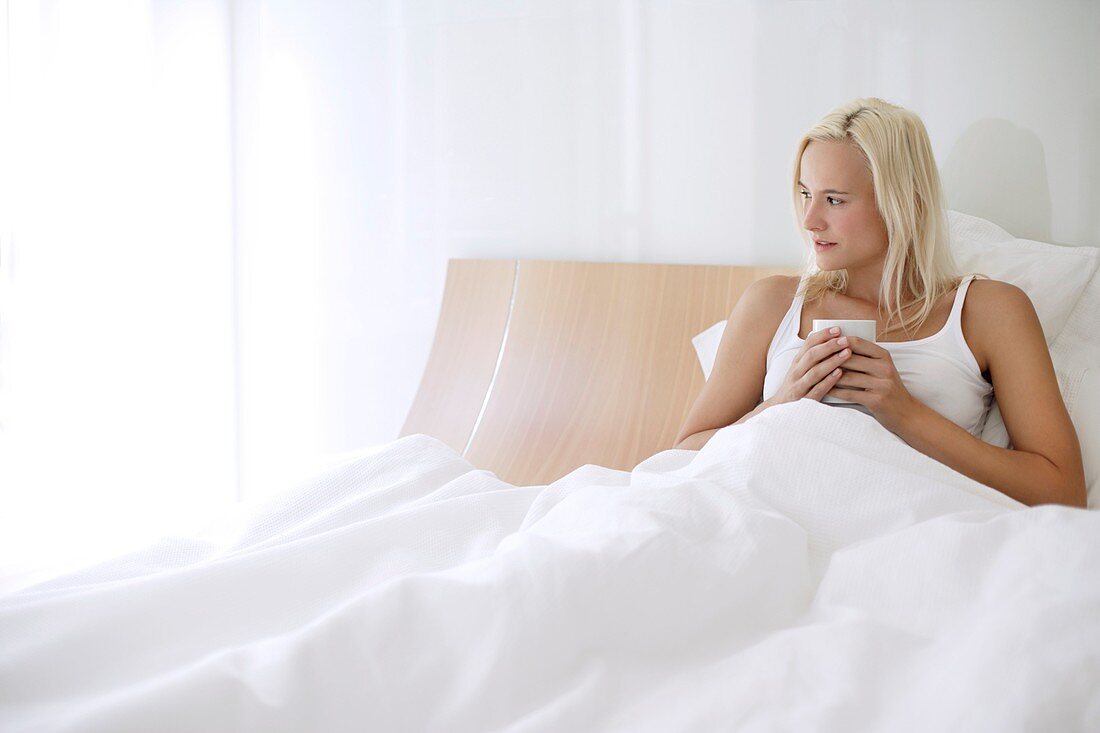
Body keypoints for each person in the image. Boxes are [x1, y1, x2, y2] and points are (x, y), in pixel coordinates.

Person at [673, 97, 1087, 508]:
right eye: (805, 194)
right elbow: (682, 454)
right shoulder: (772, 303)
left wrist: (905, 412)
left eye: (834, 199)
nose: (809, 219)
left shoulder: (990, 311)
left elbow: (1060, 491)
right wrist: (782, 404)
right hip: (765, 514)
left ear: (902, 202)